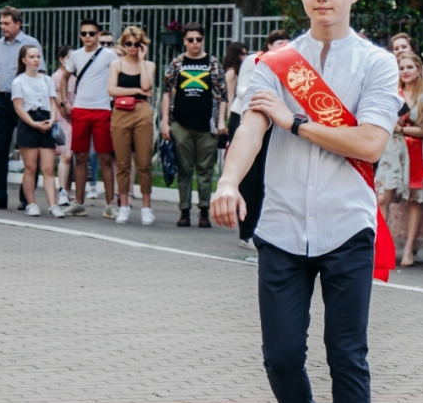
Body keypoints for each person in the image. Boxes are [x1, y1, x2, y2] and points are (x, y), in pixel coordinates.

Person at [209, 0, 399, 403]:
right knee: (282, 356)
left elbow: (369, 144)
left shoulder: (376, 64)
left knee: (348, 356)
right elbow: (251, 130)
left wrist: (298, 120)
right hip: (284, 227)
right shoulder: (274, 63)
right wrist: (228, 181)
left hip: (349, 225)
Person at [228, 30, 291, 252]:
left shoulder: (291, 65)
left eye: (286, 43)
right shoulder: (254, 60)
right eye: (278, 43)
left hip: (272, 124)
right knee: (249, 178)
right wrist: (269, 94)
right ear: (269, 45)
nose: (282, 47)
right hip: (247, 118)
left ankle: (262, 229)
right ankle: (246, 233)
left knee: (266, 176)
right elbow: (241, 91)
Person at [162, 22, 228, 227]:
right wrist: (165, 122)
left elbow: (223, 95)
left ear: (203, 40)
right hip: (180, 125)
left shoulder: (213, 63)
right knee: (184, 169)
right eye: (190, 39)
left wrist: (221, 122)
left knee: (205, 170)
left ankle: (204, 211)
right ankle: (183, 210)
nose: (195, 43)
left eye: (198, 39)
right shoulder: (176, 64)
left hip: (206, 126)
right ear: (184, 41)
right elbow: (166, 92)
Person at [377, 51, 423, 265]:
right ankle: (382, 248)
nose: (405, 71)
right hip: (392, 152)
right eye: (402, 68)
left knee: (416, 199)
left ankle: (410, 249)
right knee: (383, 197)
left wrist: (403, 131)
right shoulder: (393, 94)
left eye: (410, 67)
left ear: (419, 70)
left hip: (418, 153)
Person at [0, 7, 41, 210]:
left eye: (7, 23)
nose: (3, 27)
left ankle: (27, 198)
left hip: (25, 101)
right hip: (2, 99)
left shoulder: (30, 44)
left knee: (28, 149)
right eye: (1, 23)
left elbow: (38, 75)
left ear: (18, 24)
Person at [64, 19, 118, 217]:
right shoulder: (76, 55)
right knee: (80, 156)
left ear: (98, 35)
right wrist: (64, 102)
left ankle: (111, 203)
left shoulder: (109, 55)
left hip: (102, 109)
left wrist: (115, 99)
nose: (87, 37)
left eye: (92, 33)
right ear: (80, 35)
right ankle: (79, 202)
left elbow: (120, 72)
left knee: (105, 156)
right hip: (80, 109)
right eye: (84, 33)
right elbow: (64, 77)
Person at [108, 24, 156, 225]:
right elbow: (111, 90)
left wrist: (142, 61)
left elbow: (147, 86)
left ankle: (146, 207)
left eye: (137, 44)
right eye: (128, 43)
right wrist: (136, 90)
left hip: (142, 111)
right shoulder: (116, 65)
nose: (132, 47)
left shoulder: (149, 65)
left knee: (144, 162)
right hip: (120, 112)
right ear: (123, 44)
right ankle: (124, 205)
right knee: (123, 162)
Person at [10, 44, 64, 217]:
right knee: (30, 167)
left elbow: (52, 101)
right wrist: (34, 124)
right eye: (32, 57)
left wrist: (52, 119)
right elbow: (19, 108)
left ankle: (53, 205)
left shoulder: (46, 79)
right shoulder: (18, 81)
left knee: (48, 168)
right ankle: (31, 203)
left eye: (38, 57)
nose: (36, 60)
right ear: (24, 60)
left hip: (46, 120)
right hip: (29, 123)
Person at [52, 44, 75, 206]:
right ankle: (61, 192)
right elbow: (58, 101)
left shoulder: (76, 77)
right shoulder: (57, 77)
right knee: (66, 155)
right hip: (63, 118)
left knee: (73, 157)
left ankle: (68, 191)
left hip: (76, 118)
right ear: (61, 60)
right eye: (69, 58)